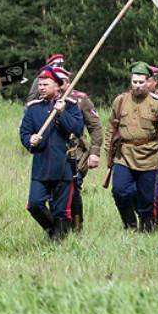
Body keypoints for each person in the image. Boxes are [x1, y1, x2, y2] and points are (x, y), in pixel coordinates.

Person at [19, 67, 84, 241]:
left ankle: (59, 242)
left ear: (57, 87)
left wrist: (61, 113)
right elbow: (24, 132)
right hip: (41, 167)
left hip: (63, 167)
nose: (41, 87)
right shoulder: (33, 108)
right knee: (35, 204)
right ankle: (53, 230)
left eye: (46, 84)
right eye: (40, 84)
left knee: (61, 210)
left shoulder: (70, 106)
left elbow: (77, 129)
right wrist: (29, 140)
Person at [104, 62, 158, 231]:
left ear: (148, 82)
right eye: (135, 82)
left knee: (147, 198)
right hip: (124, 155)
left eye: (141, 82)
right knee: (120, 191)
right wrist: (108, 153)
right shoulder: (120, 101)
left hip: (150, 156)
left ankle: (147, 230)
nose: (138, 86)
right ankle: (130, 225)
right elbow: (111, 127)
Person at [53, 65, 103, 232]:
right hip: (53, 155)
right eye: (56, 82)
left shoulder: (80, 100)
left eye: (62, 82)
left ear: (69, 83)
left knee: (72, 191)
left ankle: (75, 227)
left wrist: (95, 153)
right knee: (54, 193)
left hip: (76, 155)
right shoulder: (45, 100)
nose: (59, 86)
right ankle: (59, 228)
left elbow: (95, 127)